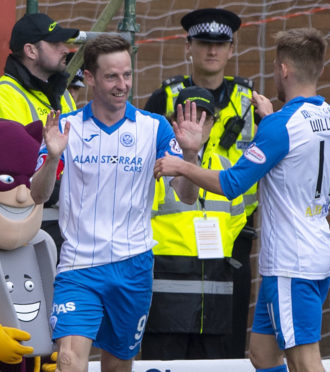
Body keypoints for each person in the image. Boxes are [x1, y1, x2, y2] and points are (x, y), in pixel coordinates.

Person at [154, 28, 330, 372]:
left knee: (304, 360)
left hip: (292, 261)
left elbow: (231, 183)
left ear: (283, 69)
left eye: (275, 67)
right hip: (312, 249)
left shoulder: (281, 126)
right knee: (261, 353)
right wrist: (270, 120)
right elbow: (293, 155)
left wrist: (182, 164)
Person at [30, 34, 203, 372]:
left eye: (127, 75)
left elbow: (186, 195)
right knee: (67, 359)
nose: (122, 84)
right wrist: (51, 158)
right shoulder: (67, 128)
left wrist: (191, 155)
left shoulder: (155, 129)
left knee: (118, 365)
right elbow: (38, 195)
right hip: (79, 267)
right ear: (91, 78)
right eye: (111, 76)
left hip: (133, 267)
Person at [144, 8, 258, 358]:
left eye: (220, 44)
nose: (212, 51)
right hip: (172, 243)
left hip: (232, 235)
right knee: (168, 344)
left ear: (231, 48)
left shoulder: (251, 101)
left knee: (225, 339)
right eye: (205, 43)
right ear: (188, 46)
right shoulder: (165, 97)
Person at [141, 86, 246, 360]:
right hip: (165, 307)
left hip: (214, 304)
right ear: (173, 120)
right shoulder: (156, 165)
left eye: (203, 118)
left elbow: (236, 221)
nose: (196, 124)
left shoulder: (224, 167)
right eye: (187, 116)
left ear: (213, 123)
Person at [0, 12, 80, 262]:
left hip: (67, 224)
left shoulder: (62, 95)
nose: (65, 49)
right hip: (26, 223)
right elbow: (20, 164)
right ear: (31, 51)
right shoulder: (6, 94)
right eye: (55, 44)